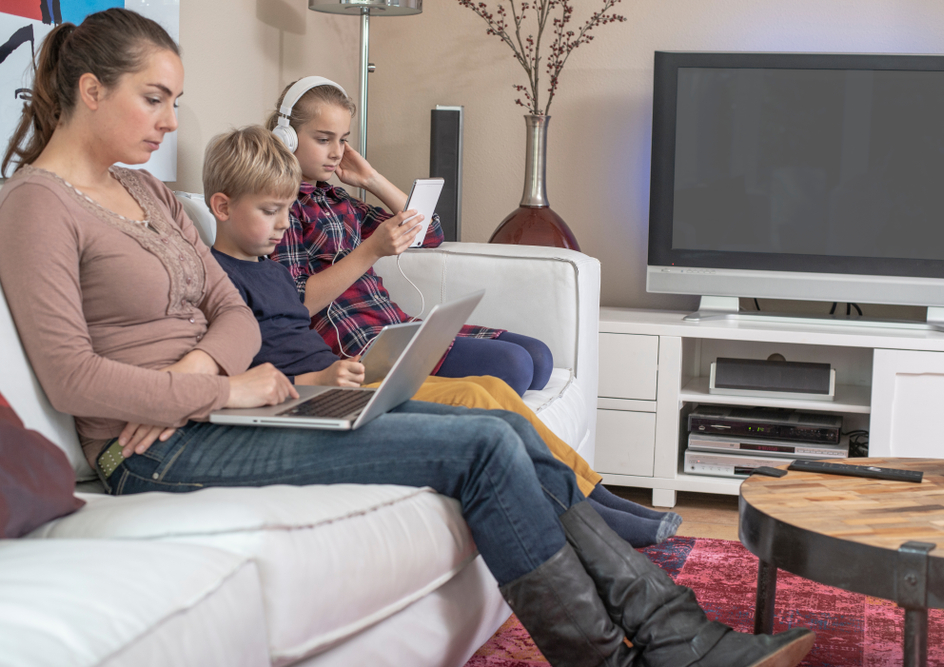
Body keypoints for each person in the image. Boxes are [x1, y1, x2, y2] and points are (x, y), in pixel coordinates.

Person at [0, 9, 814, 666]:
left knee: (502, 427)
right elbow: (71, 379)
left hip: (225, 406)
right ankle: (640, 651)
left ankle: (679, 637)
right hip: (154, 449)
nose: (170, 120)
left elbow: (238, 311)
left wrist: (201, 370)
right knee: (483, 446)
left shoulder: (149, 192)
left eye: (175, 100)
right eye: (155, 99)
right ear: (90, 91)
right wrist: (216, 387)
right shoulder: (37, 204)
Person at [203, 124, 682, 548]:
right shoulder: (216, 279)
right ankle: (588, 516)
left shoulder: (269, 266)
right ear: (222, 207)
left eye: (287, 210)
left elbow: (427, 232)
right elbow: (241, 373)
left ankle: (595, 495)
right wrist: (317, 378)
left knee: (491, 389)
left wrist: (333, 373)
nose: (283, 223)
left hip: (342, 384)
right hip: (318, 396)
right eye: (271, 211)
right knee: (479, 398)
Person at [267, 77, 553, 397]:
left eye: (343, 140)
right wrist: (372, 250)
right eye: (323, 139)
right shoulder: (281, 208)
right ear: (286, 139)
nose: (336, 153)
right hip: (360, 344)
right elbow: (296, 304)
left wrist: (371, 179)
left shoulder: (338, 200)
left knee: (540, 358)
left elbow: (429, 232)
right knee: (516, 364)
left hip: (395, 327)